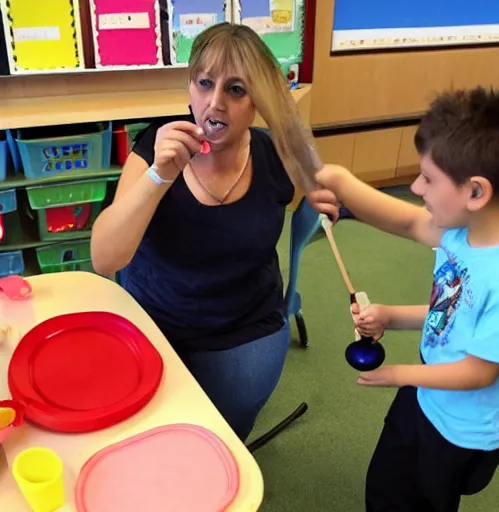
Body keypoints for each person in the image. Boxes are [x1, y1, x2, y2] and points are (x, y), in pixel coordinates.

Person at [91, 22, 339, 442]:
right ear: (190, 88)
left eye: (237, 90)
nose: (215, 102)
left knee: (222, 436)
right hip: (156, 316)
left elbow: (322, 182)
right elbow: (104, 258)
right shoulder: (157, 145)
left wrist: (327, 197)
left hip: (244, 323)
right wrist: (159, 176)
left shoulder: (275, 155)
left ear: (257, 101)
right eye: (205, 83)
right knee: (148, 431)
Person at [316, 86, 499, 511]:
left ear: (476, 192)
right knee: (386, 489)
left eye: (428, 177)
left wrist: (398, 374)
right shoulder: (462, 232)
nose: (415, 186)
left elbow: (479, 373)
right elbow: (450, 309)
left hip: (463, 429)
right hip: (424, 394)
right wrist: (392, 315)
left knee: (425, 501)